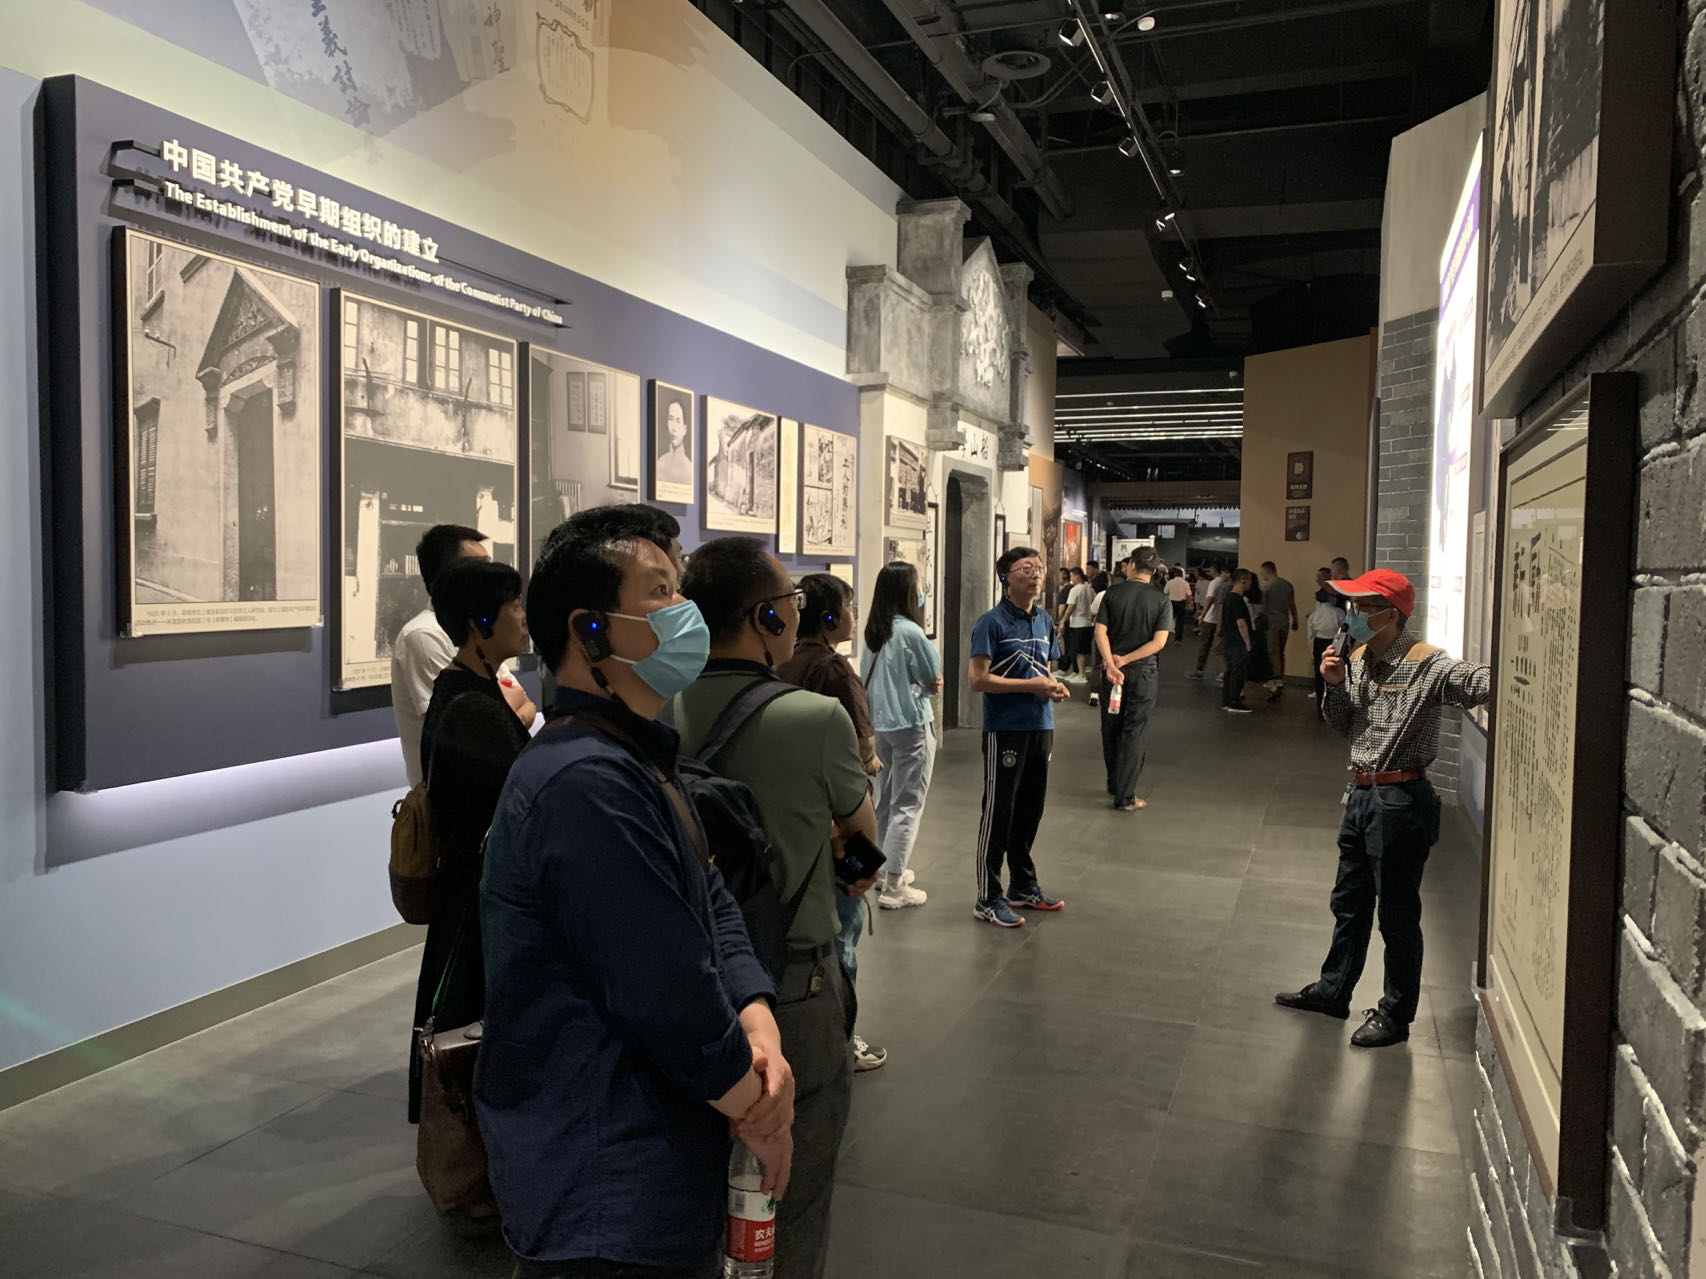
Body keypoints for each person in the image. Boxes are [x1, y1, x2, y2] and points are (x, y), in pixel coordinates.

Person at [476, 508, 794, 1276]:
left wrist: (756, 1015)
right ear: (590, 630)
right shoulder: (584, 782)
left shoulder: (633, 756)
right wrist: (761, 1108)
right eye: (658, 593)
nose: (684, 610)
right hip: (605, 1193)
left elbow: (709, 892)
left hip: (652, 1163)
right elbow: (665, 987)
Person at [676, 538, 878, 1279]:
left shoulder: (657, 707)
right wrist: (843, 866)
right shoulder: (815, 718)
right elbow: (864, 850)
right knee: (788, 1192)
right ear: (765, 616)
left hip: (684, 978)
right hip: (791, 978)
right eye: (789, 603)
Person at [1276, 569, 1491, 1048]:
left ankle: (1395, 1013)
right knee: (1348, 902)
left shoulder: (1426, 663)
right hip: (1360, 795)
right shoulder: (1356, 659)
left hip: (1401, 800)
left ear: (1390, 615)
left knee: (1396, 913)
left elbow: (1479, 682)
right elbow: (1342, 725)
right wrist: (1333, 685)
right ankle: (1334, 991)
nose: (1352, 615)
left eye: (1362, 607)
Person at [409, 558, 534, 1136]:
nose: (524, 618)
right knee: (471, 1029)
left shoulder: (470, 690)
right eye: (514, 607)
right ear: (480, 622)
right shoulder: (474, 709)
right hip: (477, 896)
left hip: (472, 889)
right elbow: (516, 800)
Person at [776, 572, 887, 1073]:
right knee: (844, 930)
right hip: (840, 825)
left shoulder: (782, 662)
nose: (853, 615)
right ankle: (841, 1039)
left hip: (797, 820)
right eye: (847, 605)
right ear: (828, 617)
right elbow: (863, 751)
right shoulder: (836, 670)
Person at [969, 546, 1071, 928]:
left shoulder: (1044, 620)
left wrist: (1053, 686)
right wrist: (1031, 686)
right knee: (999, 812)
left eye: (1039, 568)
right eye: (1026, 568)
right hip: (1005, 728)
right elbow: (978, 679)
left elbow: (1043, 668)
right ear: (1006, 578)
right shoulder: (990, 623)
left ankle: (1023, 885)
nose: (1036, 574)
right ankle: (987, 896)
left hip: (1040, 725)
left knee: (1030, 810)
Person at [392, 524, 535, 786]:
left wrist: (509, 715)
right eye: (479, 566)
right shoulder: (424, 636)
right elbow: (477, 728)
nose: (523, 618)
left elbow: (523, 701)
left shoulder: (481, 651)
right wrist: (508, 715)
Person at [860, 561, 940, 912]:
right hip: (911, 723)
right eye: (918, 584)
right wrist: (927, 685)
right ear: (909, 591)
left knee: (886, 801)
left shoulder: (873, 632)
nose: (922, 590)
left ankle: (882, 869)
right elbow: (931, 674)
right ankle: (894, 886)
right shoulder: (911, 632)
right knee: (908, 804)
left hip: (881, 725)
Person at [1095, 547, 1172, 811]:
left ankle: (1114, 783)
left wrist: (1111, 662)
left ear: (1132, 566)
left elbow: (1100, 632)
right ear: (1154, 570)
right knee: (1135, 730)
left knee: (1110, 727)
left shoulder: (1113, 593)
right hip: (1143, 674)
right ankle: (1126, 796)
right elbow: (1159, 643)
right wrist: (1126, 660)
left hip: (1111, 673)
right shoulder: (1161, 599)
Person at [1257, 562, 1299, 702]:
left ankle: (1274, 679)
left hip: (1271, 623)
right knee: (1281, 652)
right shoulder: (1287, 585)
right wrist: (1295, 619)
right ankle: (1280, 677)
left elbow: (1262, 608)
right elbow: (1292, 604)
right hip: (1284, 622)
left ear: (1266, 571)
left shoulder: (1266, 588)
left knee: (1272, 652)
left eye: (1262, 572)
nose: (1261, 575)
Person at [1307, 567, 1346, 705]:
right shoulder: (1339, 613)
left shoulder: (1314, 615)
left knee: (1319, 672)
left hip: (1318, 642)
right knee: (1334, 669)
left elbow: (1310, 635)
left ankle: (1320, 701)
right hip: (1333, 642)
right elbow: (1343, 632)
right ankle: (1335, 698)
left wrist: (1311, 651)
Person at [1220, 568, 1256, 713]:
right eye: (1249, 580)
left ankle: (1227, 700)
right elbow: (1241, 623)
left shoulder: (1228, 598)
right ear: (1242, 581)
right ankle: (1234, 702)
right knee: (1238, 671)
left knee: (1230, 671)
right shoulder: (1238, 600)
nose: (1251, 583)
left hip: (1229, 639)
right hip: (1238, 641)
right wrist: (1248, 643)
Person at [1190, 565, 1231, 680]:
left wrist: (1202, 615)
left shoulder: (1214, 582)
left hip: (1210, 618)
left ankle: (1200, 670)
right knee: (1219, 647)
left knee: (1205, 645)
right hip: (1220, 618)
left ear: (1216, 571)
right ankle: (1223, 672)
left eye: (1211, 569)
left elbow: (1209, 599)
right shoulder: (1226, 584)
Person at [1063, 567, 1095, 679]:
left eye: (1071, 576)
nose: (1071, 579)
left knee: (1078, 651)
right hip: (1088, 624)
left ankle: (1081, 674)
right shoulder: (1090, 589)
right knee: (1084, 650)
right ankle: (1078, 673)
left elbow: (1070, 607)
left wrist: (1062, 621)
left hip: (1077, 624)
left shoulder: (1075, 590)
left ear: (1077, 576)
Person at [656, 398, 693, 488]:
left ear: (684, 429)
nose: (674, 428)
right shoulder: (659, 464)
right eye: (671, 419)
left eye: (678, 421)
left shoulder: (690, 469)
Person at [1165, 566, 1194, 635]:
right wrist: (1189, 604)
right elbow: (1189, 595)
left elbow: (1165, 593)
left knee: (1169, 619)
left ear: (1175, 574)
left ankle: (1167, 634)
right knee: (1180, 621)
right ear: (1181, 575)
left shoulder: (1169, 582)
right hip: (1181, 603)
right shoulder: (1185, 583)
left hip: (1171, 603)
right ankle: (1178, 638)